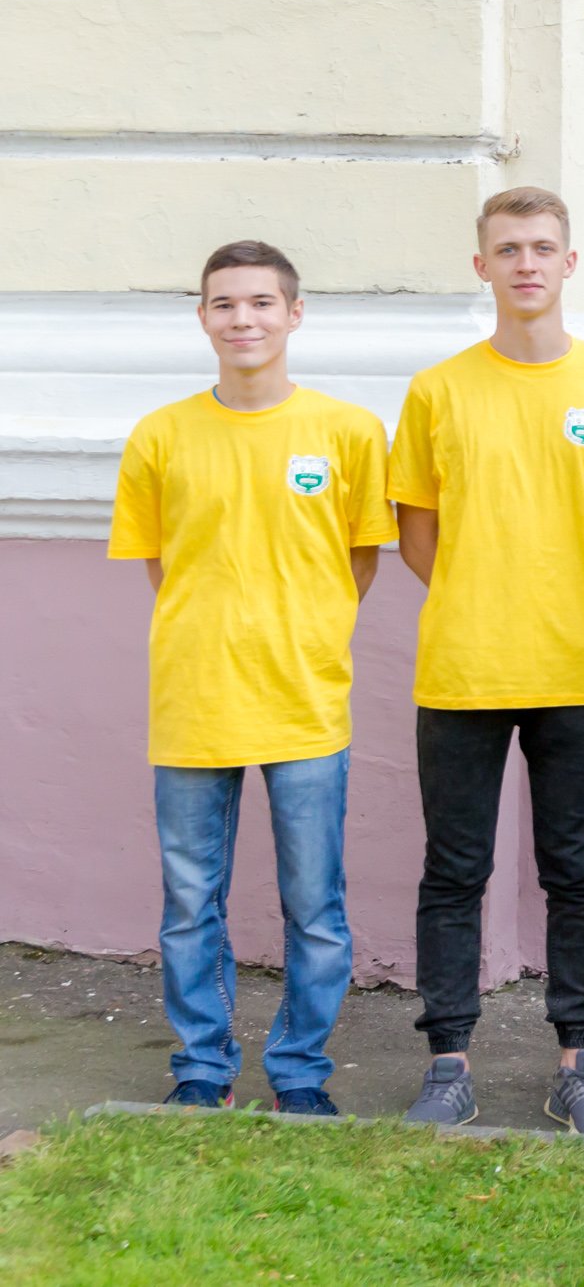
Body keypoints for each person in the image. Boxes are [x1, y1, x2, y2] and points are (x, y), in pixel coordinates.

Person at [392, 187, 584, 1136]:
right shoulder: (438, 390)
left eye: (542, 247)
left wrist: (567, 584)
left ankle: (578, 1065)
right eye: (507, 248)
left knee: (576, 870)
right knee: (453, 871)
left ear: (568, 262)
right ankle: (448, 1065)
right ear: (482, 265)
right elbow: (418, 533)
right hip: (462, 668)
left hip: (576, 667)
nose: (525, 263)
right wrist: (487, 592)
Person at [109, 241, 394, 1116]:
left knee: (315, 906)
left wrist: (299, 630)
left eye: (262, 302)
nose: (244, 319)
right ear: (203, 317)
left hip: (304, 702)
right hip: (193, 702)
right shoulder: (161, 435)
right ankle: (203, 1066)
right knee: (190, 904)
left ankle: (301, 1073)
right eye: (225, 303)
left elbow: (358, 560)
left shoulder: (348, 432)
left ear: (294, 313)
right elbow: (163, 565)